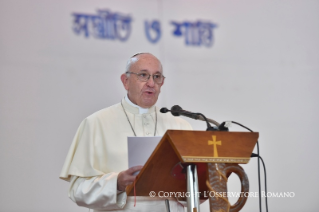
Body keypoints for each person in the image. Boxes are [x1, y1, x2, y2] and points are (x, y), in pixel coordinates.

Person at [60, 53, 192, 212]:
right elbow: (78, 191)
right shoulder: (96, 123)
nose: (151, 83)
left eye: (157, 77)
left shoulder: (179, 125)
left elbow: (192, 188)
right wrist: (117, 183)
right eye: (143, 75)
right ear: (125, 81)